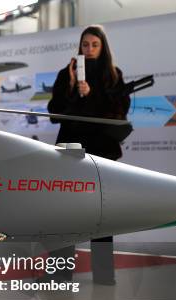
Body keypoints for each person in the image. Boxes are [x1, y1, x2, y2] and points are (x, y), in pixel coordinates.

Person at [46, 25, 131, 285]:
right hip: (70, 151)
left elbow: (120, 113)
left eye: (95, 44)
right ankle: (59, 274)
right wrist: (72, 88)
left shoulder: (114, 76)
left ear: (103, 47)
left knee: (103, 215)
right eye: (85, 44)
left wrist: (92, 96)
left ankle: (104, 274)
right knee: (62, 213)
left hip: (103, 150)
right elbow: (53, 114)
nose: (89, 49)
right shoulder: (67, 73)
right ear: (79, 46)